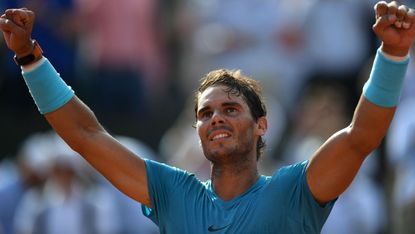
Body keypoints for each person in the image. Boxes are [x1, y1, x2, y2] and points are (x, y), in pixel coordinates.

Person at [0, 1, 414, 232]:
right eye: (205, 113)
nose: (215, 119)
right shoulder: (174, 192)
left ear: (262, 125)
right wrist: (30, 59)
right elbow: (86, 136)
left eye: (231, 109)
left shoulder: (294, 191)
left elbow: (361, 136)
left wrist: (393, 55)